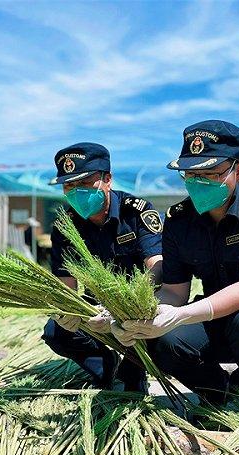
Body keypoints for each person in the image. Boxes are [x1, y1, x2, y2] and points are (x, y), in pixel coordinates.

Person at [113, 120, 239, 403]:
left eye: (211, 173)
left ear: (238, 171)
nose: (198, 183)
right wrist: (146, 315)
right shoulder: (179, 220)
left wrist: (182, 314)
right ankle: (215, 393)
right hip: (216, 316)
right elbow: (175, 291)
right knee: (164, 339)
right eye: (191, 174)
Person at [43, 142, 163, 392]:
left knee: (134, 377)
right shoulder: (66, 227)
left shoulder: (137, 213)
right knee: (56, 332)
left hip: (138, 304)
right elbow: (65, 285)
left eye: (85, 183)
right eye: (69, 186)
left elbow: (158, 269)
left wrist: (121, 308)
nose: (77, 192)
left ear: (107, 179)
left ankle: (134, 371)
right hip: (94, 307)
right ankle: (104, 365)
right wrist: (67, 311)